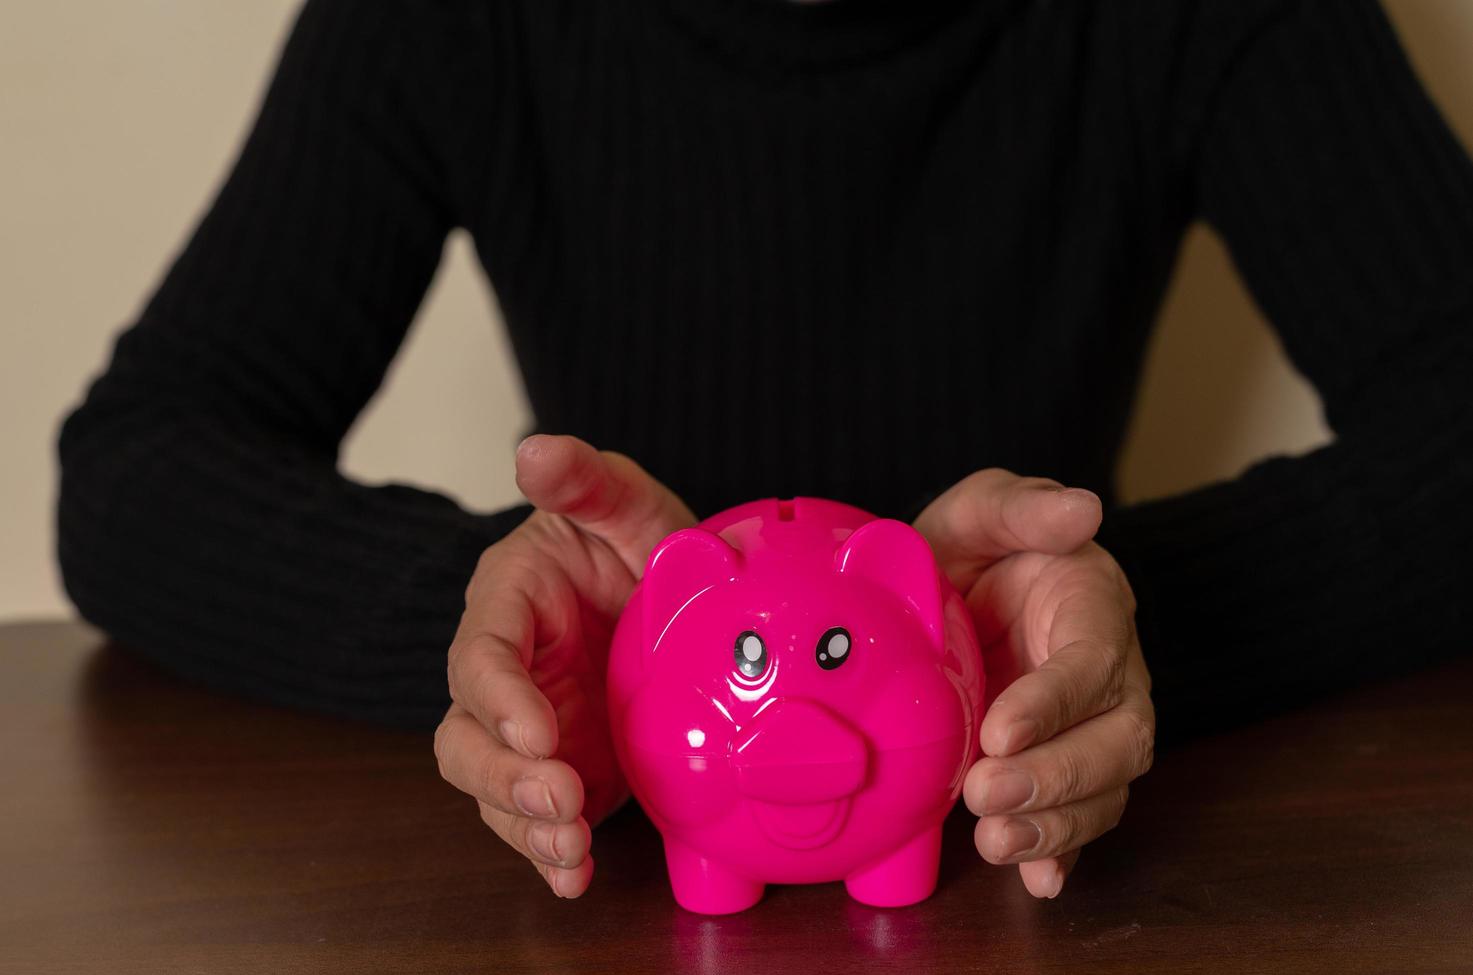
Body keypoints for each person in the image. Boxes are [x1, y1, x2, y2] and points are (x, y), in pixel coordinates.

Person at [57, 0, 1473, 903]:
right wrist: (555, 646)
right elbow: (136, 469)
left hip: (1011, 876)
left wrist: (1077, 624)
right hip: (632, 885)